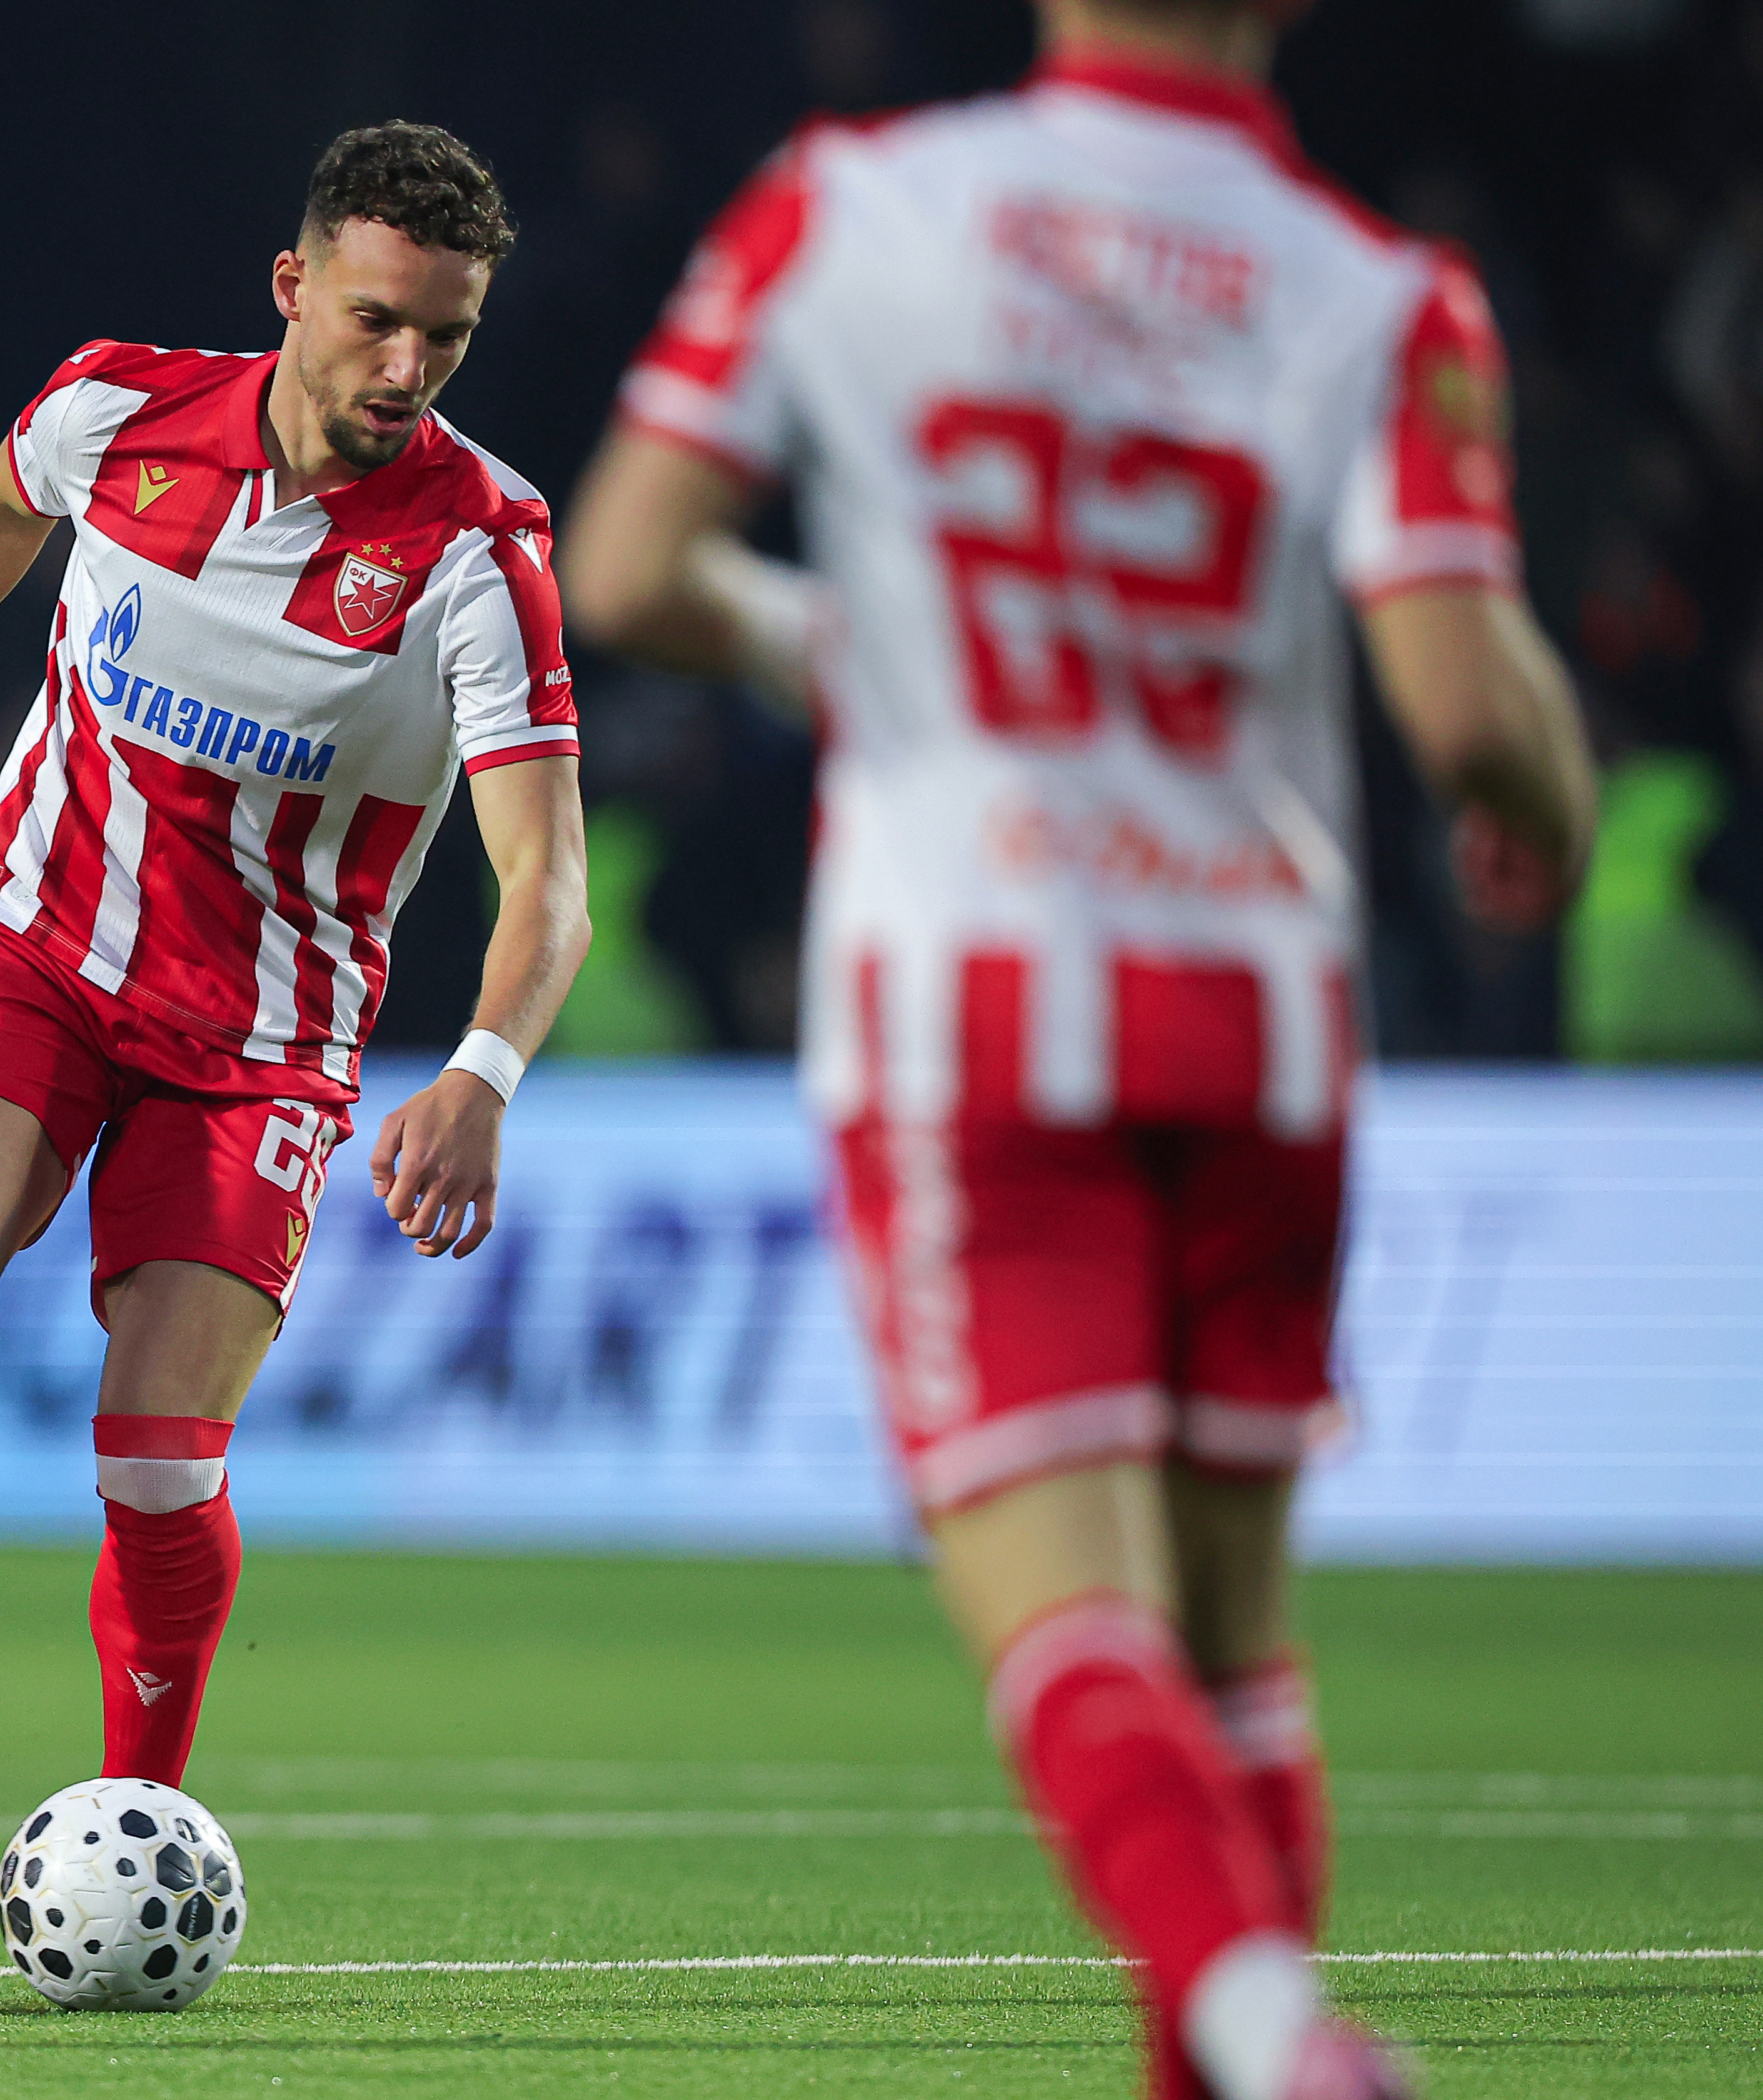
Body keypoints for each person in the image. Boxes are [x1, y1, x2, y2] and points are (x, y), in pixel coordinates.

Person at [562, 4, 1594, 2096]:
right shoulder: (1382, 289)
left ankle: (1267, 2028)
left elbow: (629, 565)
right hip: (1260, 1012)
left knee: (1063, 1619)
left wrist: (820, 636)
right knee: (1235, 1647)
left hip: (971, 995)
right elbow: (1471, 715)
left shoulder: (843, 208)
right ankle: (1240, 2031)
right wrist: (1542, 812)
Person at [0, 120, 591, 1949]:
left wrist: (482, 1073)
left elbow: (546, 882)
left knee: (156, 1451)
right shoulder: (116, 411)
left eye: (443, 337)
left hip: (263, 1037)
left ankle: (144, 1824)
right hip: (32, 939)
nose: (404, 370)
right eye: (373, 323)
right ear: (291, 290)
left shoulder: (479, 554)